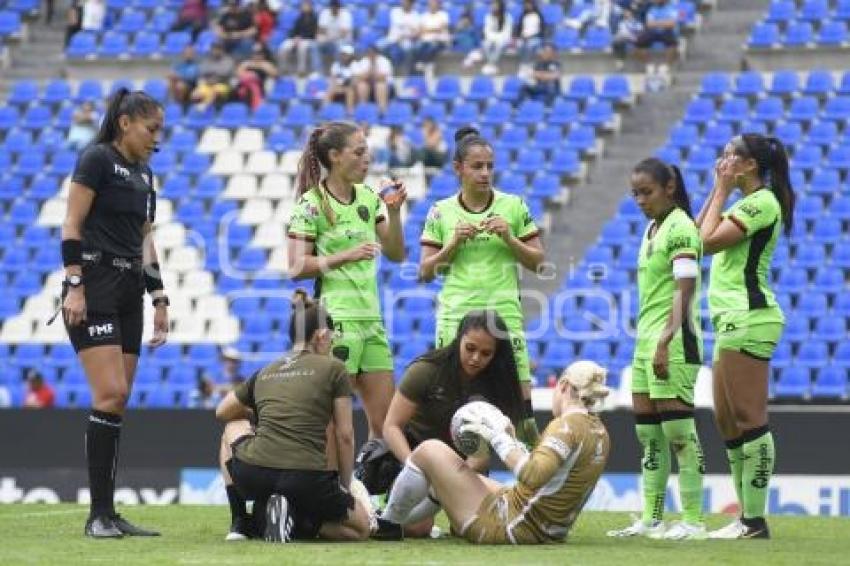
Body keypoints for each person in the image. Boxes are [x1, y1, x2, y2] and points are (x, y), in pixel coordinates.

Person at [60, 89, 168, 538]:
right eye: (151, 129)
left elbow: (146, 243)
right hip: (96, 284)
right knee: (110, 394)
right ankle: (97, 516)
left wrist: (159, 298)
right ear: (125, 122)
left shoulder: (145, 176)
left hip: (130, 290)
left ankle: (109, 512)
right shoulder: (96, 160)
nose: (157, 139)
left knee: (118, 402)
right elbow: (72, 225)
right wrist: (74, 285)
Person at [375, 360, 611, 543]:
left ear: (564, 386)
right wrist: (512, 440)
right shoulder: (598, 430)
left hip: (513, 526)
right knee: (451, 479)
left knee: (429, 450)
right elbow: (549, 480)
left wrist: (497, 437)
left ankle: (387, 523)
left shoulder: (565, 426)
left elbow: (533, 475)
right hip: (547, 527)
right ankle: (396, 519)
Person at [419, 126, 546, 447]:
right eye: (477, 166)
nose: (485, 173)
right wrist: (452, 245)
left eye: (489, 166)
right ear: (458, 168)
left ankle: (537, 484)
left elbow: (538, 262)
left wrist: (509, 237)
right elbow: (425, 272)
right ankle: (451, 481)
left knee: (524, 415)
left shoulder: (513, 206)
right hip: (456, 315)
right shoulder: (440, 211)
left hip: (504, 313)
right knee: (451, 405)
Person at [696, 134, 795, 540]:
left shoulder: (762, 202)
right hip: (730, 319)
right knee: (726, 419)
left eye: (731, 153)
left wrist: (720, 189)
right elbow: (697, 230)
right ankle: (745, 520)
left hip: (751, 316)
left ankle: (754, 521)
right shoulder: (743, 202)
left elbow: (704, 242)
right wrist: (717, 191)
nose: (724, 158)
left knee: (749, 418)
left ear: (750, 165)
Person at [285, 122, 406, 449]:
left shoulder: (369, 198)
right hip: (336, 324)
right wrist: (347, 254)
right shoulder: (311, 205)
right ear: (336, 156)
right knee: (335, 429)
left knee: (386, 427)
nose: (367, 158)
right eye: (359, 151)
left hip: (372, 322)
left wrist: (394, 214)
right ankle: (329, 497)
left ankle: (379, 501)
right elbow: (296, 267)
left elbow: (396, 253)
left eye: (367, 151)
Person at [215, 294, 372, 542]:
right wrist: (344, 485)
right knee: (360, 529)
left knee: (233, 426)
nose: (331, 343)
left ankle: (242, 522)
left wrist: (259, 413)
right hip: (306, 477)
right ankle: (297, 521)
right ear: (321, 335)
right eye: (331, 337)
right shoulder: (334, 368)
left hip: (255, 473)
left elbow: (222, 411)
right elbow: (344, 435)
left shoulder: (265, 370)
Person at [606, 158, 706, 540]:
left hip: (674, 340)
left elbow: (686, 290)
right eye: (635, 193)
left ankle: (694, 521)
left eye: (646, 192)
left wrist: (665, 341)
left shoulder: (681, 227)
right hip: (646, 339)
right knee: (649, 435)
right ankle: (652, 518)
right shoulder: (652, 227)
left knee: (679, 432)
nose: (640, 200)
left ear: (669, 187)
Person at [380, 310, 526, 537]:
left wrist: (449, 480)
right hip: (418, 460)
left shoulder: (500, 385)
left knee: (473, 528)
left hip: (467, 465)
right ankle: (382, 512)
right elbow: (391, 426)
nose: (476, 358)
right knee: (416, 528)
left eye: (486, 353)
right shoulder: (426, 370)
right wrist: (415, 468)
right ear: (459, 338)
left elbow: (482, 454)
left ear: (496, 355)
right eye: (470, 348)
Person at [635, 0, 679, 80]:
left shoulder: (672, 9)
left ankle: (666, 66)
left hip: (667, 31)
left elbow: (672, 24)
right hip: (653, 31)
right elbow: (649, 24)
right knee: (639, 42)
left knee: (673, 43)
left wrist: (656, 23)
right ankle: (649, 65)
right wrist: (664, 22)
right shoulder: (652, 9)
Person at [278, 0, 321, 77]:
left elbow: (313, 33)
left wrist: (300, 38)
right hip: (296, 39)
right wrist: (294, 37)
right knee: (284, 47)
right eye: (303, 6)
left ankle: (301, 70)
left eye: (306, 6)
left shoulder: (314, 18)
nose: (304, 7)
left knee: (302, 47)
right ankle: (284, 69)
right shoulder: (299, 17)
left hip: (308, 39)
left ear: (311, 7)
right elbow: (294, 30)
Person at [379, 0, 420, 76]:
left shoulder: (415, 15)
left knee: (409, 50)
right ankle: (385, 70)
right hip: (392, 38)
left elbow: (416, 33)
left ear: (411, 3)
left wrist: (406, 36)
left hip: (406, 40)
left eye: (406, 2)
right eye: (403, 1)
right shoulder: (395, 12)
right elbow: (397, 26)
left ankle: (407, 72)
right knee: (379, 46)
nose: (404, 3)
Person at [190, 42, 235, 110]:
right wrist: (214, 73)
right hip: (208, 84)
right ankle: (195, 113)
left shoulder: (228, 60)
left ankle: (204, 105)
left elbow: (225, 73)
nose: (216, 51)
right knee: (195, 94)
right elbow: (202, 71)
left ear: (222, 50)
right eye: (214, 49)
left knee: (216, 91)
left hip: (223, 84)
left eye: (218, 49)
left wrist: (211, 73)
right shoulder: (207, 60)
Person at [235, 42, 278, 109]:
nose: (257, 56)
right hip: (245, 85)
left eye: (259, 54)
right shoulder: (246, 64)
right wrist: (251, 74)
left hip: (260, 86)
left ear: (263, 55)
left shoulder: (266, 65)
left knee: (254, 86)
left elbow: (275, 75)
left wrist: (263, 67)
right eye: (255, 54)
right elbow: (238, 74)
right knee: (248, 80)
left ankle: (255, 102)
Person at [352, 45, 394, 113]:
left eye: (372, 53)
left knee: (380, 85)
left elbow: (382, 77)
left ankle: (382, 109)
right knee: (362, 85)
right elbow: (360, 77)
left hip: (386, 86)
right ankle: (363, 109)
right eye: (369, 53)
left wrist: (370, 73)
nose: (371, 54)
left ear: (377, 53)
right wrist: (370, 73)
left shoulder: (384, 61)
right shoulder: (364, 61)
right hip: (369, 85)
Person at [413, 0, 450, 77]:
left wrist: (427, 30)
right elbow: (420, 30)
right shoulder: (424, 16)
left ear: (438, 5)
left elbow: (441, 28)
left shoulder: (443, 15)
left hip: (440, 40)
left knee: (432, 46)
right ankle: (429, 66)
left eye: (434, 4)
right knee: (417, 47)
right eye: (430, 4)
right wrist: (432, 30)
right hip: (425, 40)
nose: (432, 6)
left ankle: (422, 63)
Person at [317, 0, 353, 72]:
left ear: (339, 8)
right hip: (328, 40)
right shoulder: (325, 13)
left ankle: (337, 71)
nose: (334, 10)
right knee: (316, 45)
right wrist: (328, 37)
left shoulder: (345, 14)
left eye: (335, 8)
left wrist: (332, 36)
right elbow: (320, 30)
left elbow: (344, 33)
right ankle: (318, 71)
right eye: (332, 8)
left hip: (343, 41)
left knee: (338, 46)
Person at [479, 0, 513, 75]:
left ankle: (491, 64)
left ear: (500, 7)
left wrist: (497, 39)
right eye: (492, 5)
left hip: (503, 39)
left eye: (495, 5)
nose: (493, 7)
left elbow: (507, 32)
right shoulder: (488, 16)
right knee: (485, 44)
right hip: (491, 38)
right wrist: (493, 39)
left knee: (499, 45)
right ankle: (492, 65)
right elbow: (486, 31)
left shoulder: (507, 17)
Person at [326, 44, 357, 114]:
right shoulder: (336, 65)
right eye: (343, 54)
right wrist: (336, 87)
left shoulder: (354, 65)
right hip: (337, 87)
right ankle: (325, 111)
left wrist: (344, 88)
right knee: (329, 90)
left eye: (346, 55)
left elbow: (354, 81)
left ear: (351, 56)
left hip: (349, 87)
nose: (344, 56)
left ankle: (350, 112)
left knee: (350, 91)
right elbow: (332, 78)